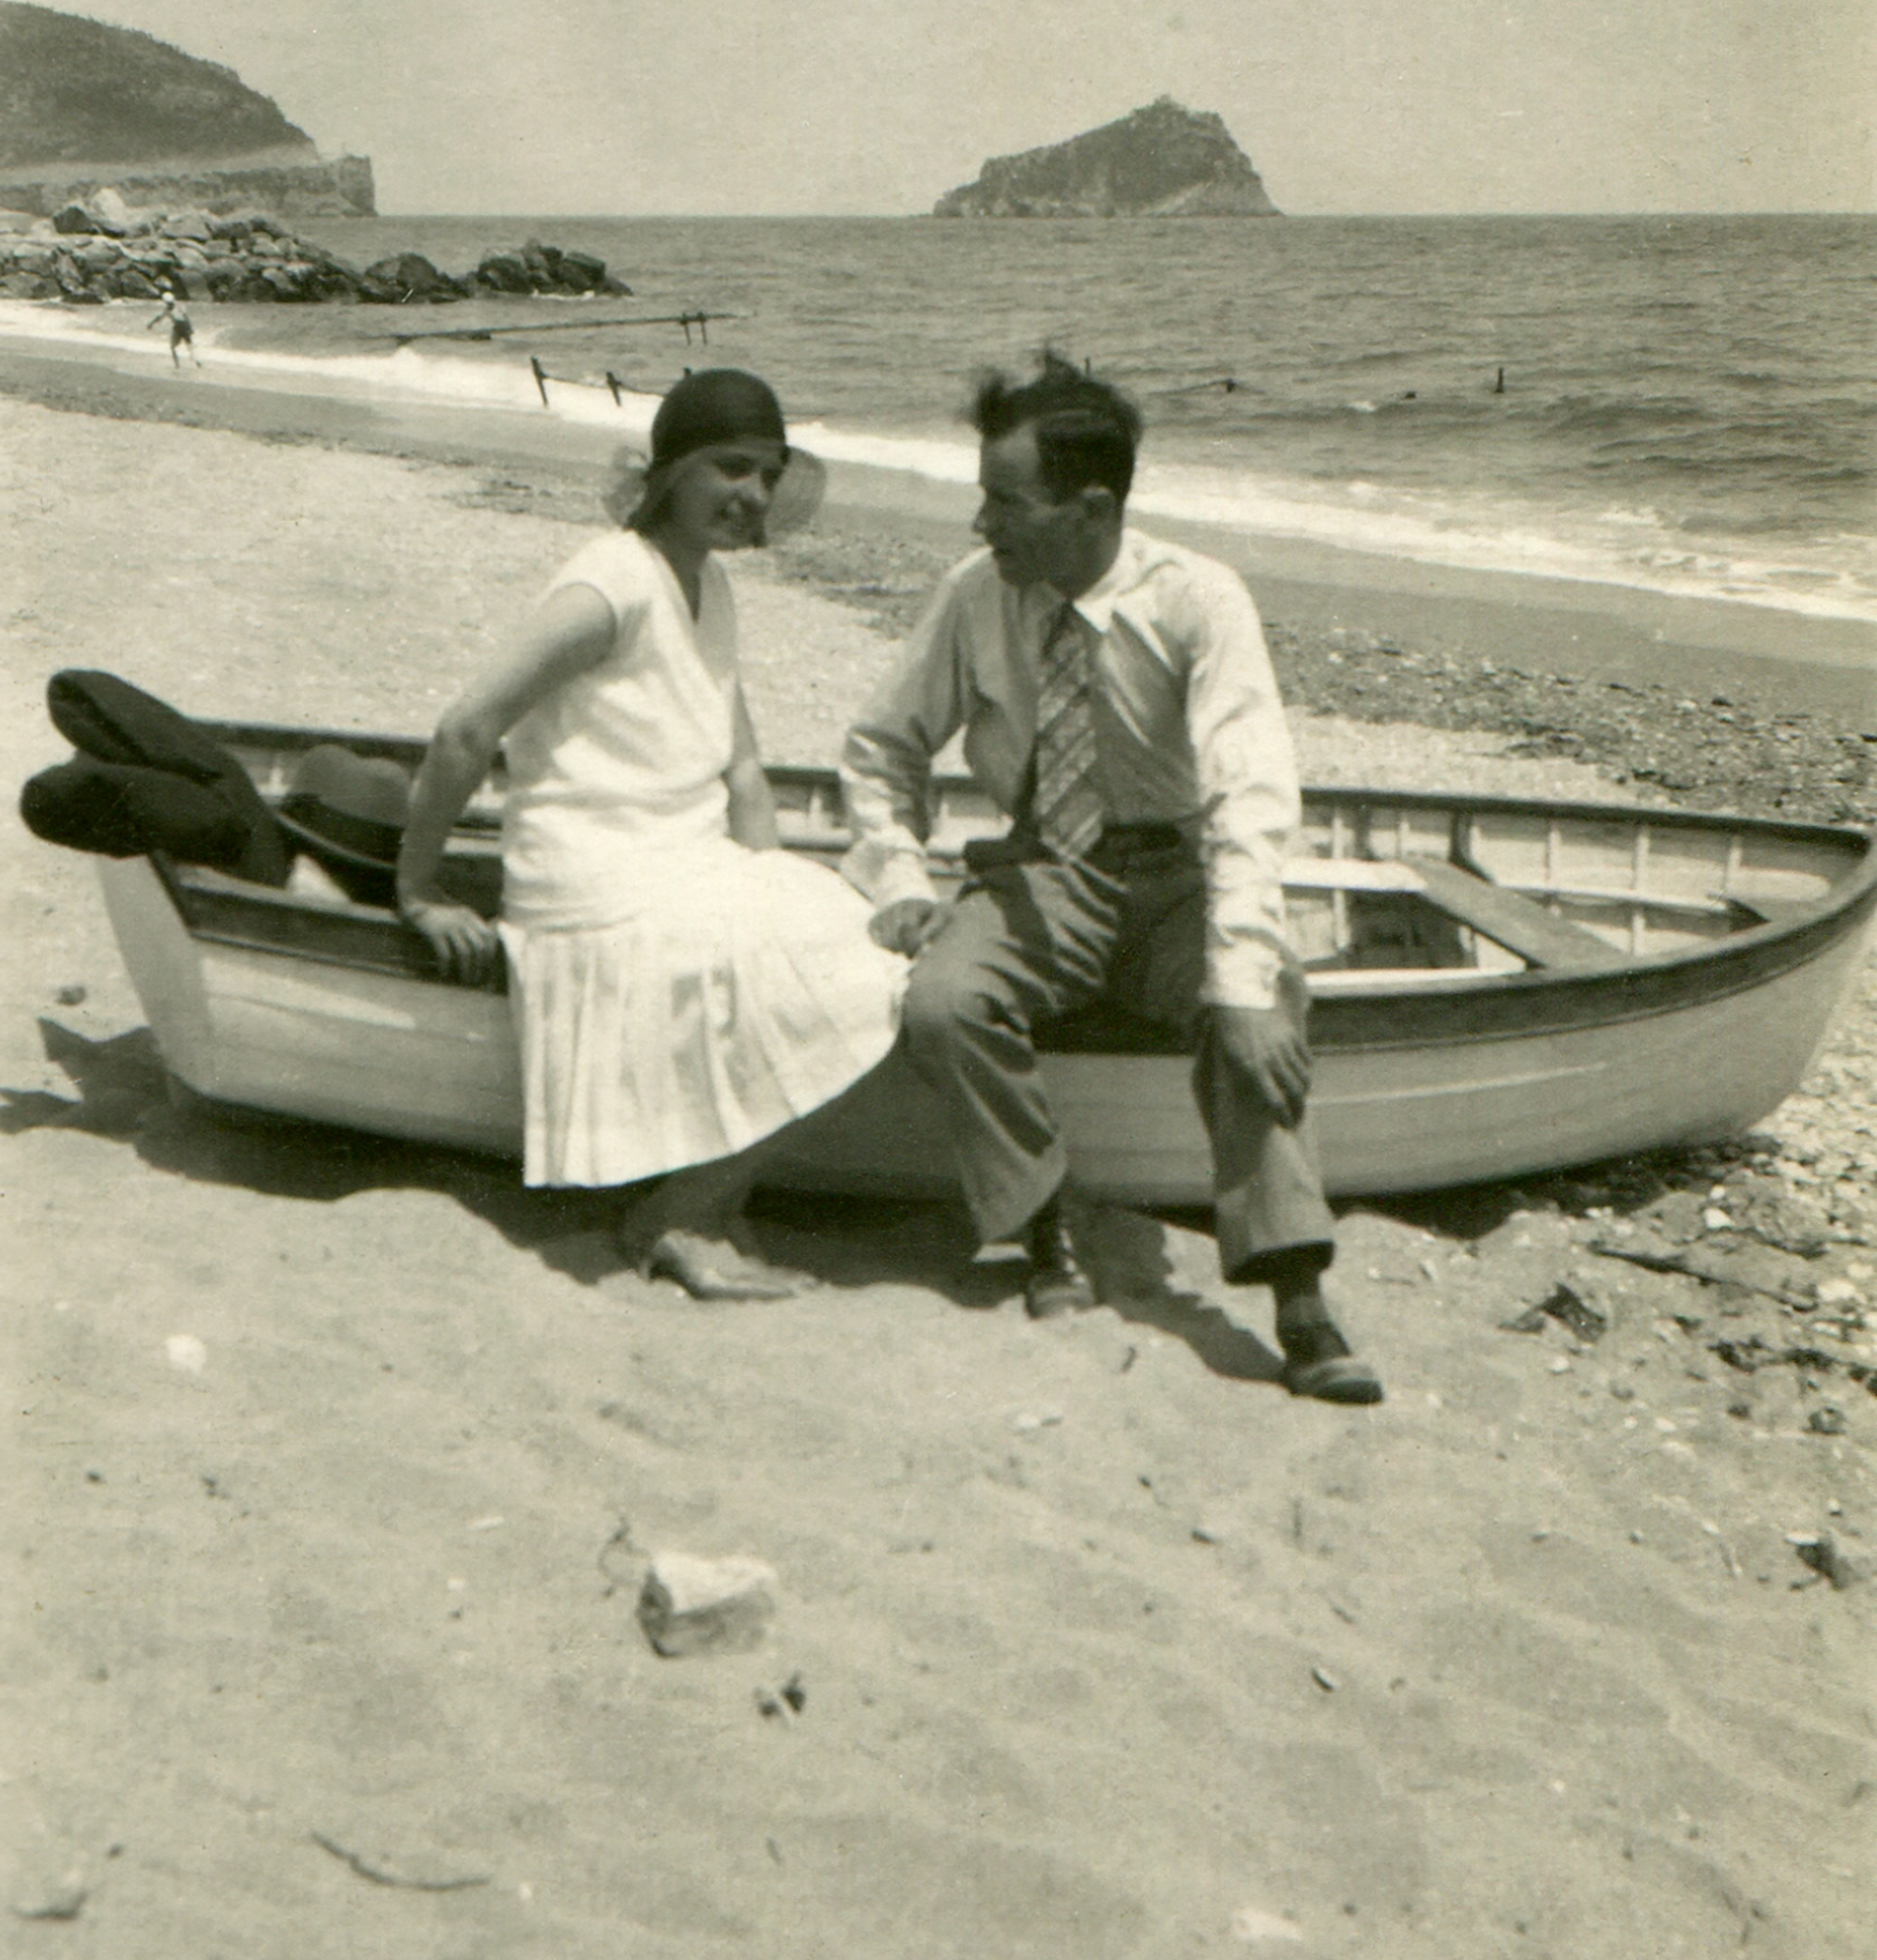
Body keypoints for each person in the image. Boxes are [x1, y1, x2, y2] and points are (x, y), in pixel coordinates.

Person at [840, 352, 1381, 1404]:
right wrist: (899, 875)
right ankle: (1043, 1224)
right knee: (946, 1004)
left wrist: (1235, 985)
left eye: (1003, 501)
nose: (979, 524)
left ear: (1089, 509)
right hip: (1044, 864)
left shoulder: (1197, 600)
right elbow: (880, 745)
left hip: (1177, 868)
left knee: (1258, 1005)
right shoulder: (974, 597)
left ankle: (1296, 1292)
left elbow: (1248, 795)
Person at [394, 369, 905, 1299]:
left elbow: (742, 770)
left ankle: (702, 1188)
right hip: (593, 875)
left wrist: (772, 904)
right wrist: (418, 890)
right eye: (730, 467)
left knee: (852, 940)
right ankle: (676, 1216)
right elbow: (466, 728)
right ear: (669, 471)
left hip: (681, 860)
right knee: (866, 976)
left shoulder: (710, 588)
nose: (750, 494)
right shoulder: (610, 582)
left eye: (767, 475)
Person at [147, 286, 198, 369]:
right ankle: (187, 364)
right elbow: (185, 316)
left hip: (180, 326)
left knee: (180, 346)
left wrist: (151, 324)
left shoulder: (170, 308)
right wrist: (151, 324)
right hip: (181, 326)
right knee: (184, 346)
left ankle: (184, 364)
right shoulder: (174, 306)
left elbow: (160, 318)